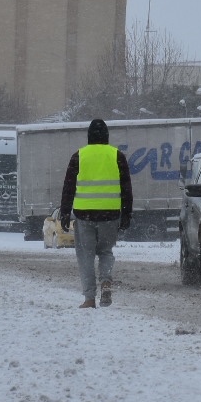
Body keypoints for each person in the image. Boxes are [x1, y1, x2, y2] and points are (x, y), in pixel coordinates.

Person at [59, 117, 132, 309]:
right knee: (106, 252)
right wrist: (126, 215)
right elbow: (126, 189)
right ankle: (106, 282)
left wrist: (65, 213)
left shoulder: (79, 156)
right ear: (107, 136)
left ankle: (89, 298)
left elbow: (68, 187)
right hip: (110, 214)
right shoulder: (117, 156)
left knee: (86, 257)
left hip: (85, 215)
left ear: (89, 137)